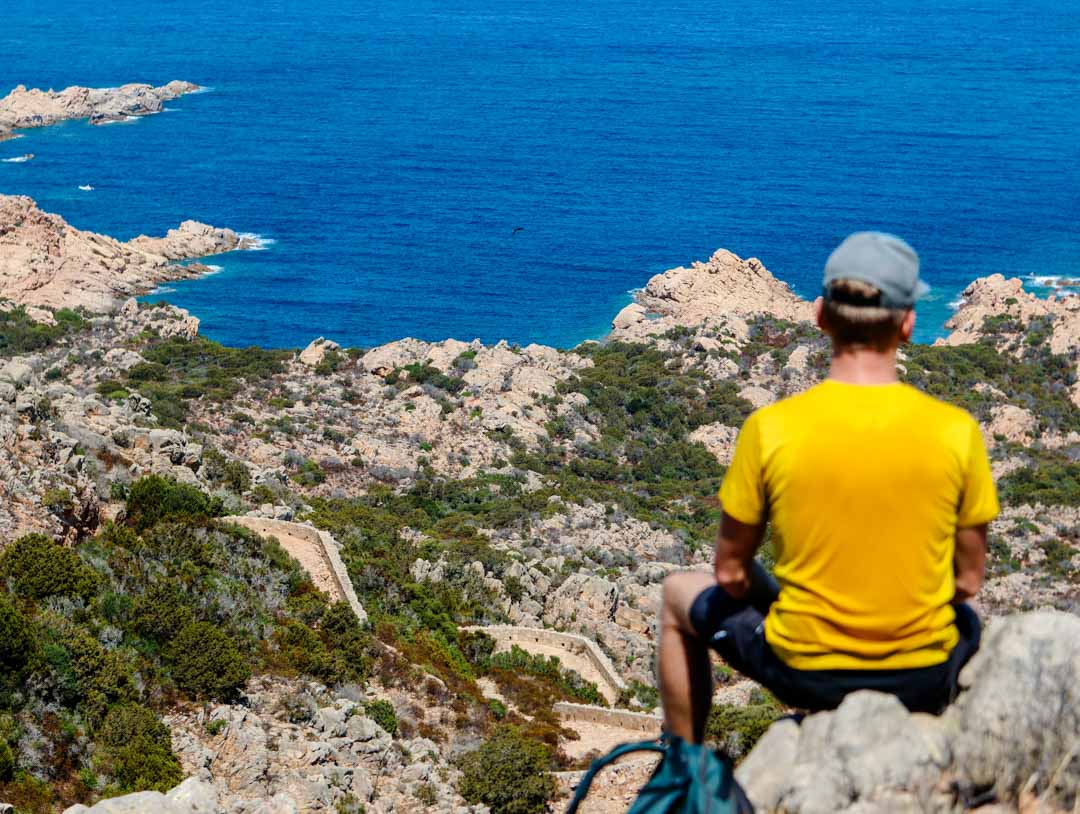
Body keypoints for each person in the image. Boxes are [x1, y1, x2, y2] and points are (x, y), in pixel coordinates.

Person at [657, 232, 999, 744]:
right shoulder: (956, 431)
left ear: (819, 315)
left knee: (675, 594)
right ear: (907, 324)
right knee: (969, 623)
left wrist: (777, 596)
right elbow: (968, 581)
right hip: (921, 675)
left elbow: (729, 573)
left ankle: (683, 765)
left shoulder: (771, 429)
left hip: (807, 671)